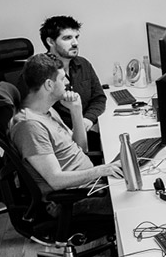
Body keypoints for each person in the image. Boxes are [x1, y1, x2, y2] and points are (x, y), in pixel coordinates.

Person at [9, 54, 121, 218]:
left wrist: (76, 110)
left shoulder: (47, 110)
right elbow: (56, 180)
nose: (68, 83)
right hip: (74, 200)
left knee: (139, 168)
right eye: (62, 79)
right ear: (49, 85)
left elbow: (81, 149)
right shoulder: (29, 126)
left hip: (92, 186)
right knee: (138, 201)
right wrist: (103, 170)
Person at [39, 16, 106, 145]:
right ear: (51, 42)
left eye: (76, 37)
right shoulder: (40, 72)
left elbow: (99, 98)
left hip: (87, 130)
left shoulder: (83, 64)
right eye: (67, 38)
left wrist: (87, 120)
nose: (75, 43)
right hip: (61, 143)